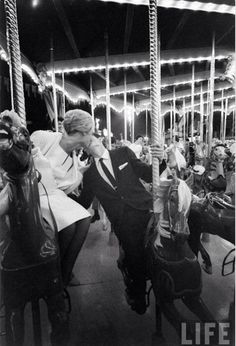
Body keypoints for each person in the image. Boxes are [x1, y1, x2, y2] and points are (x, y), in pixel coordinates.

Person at [78, 135, 166, 314]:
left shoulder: (123, 153)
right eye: (85, 142)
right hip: (123, 219)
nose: (90, 142)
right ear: (84, 149)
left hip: (144, 206)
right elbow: (83, 202)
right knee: (135, 253)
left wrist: (161, 159)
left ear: (99, 140)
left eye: (91, 138)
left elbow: (148, 174)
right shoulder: (89, 174)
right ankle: (139, 294)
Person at [30, 109, 93, 286]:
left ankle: (65, 271)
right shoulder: (44, 138)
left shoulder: (73, 161)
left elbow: (65, 189)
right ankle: (53, 270)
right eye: (89, 134)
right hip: (34, 193)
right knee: (69, 226)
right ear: (81, 133)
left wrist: (80, 173)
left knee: (85, 218)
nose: (90, 139)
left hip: (55, 196)